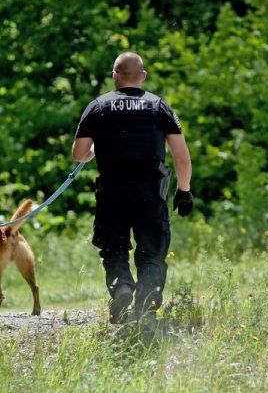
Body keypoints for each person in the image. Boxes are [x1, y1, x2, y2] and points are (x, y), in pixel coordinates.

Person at [72, 52, 193, 324]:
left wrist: (93, 151)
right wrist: (183, 191)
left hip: (112, 193)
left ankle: (122, 288)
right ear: (143, 76)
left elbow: (79, 154)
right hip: (150, 193)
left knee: (114, 249)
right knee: (152, 252)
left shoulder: (98, 106)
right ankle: (146, 308)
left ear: (115, 76)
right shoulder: (159, 106)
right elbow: (181, 156)